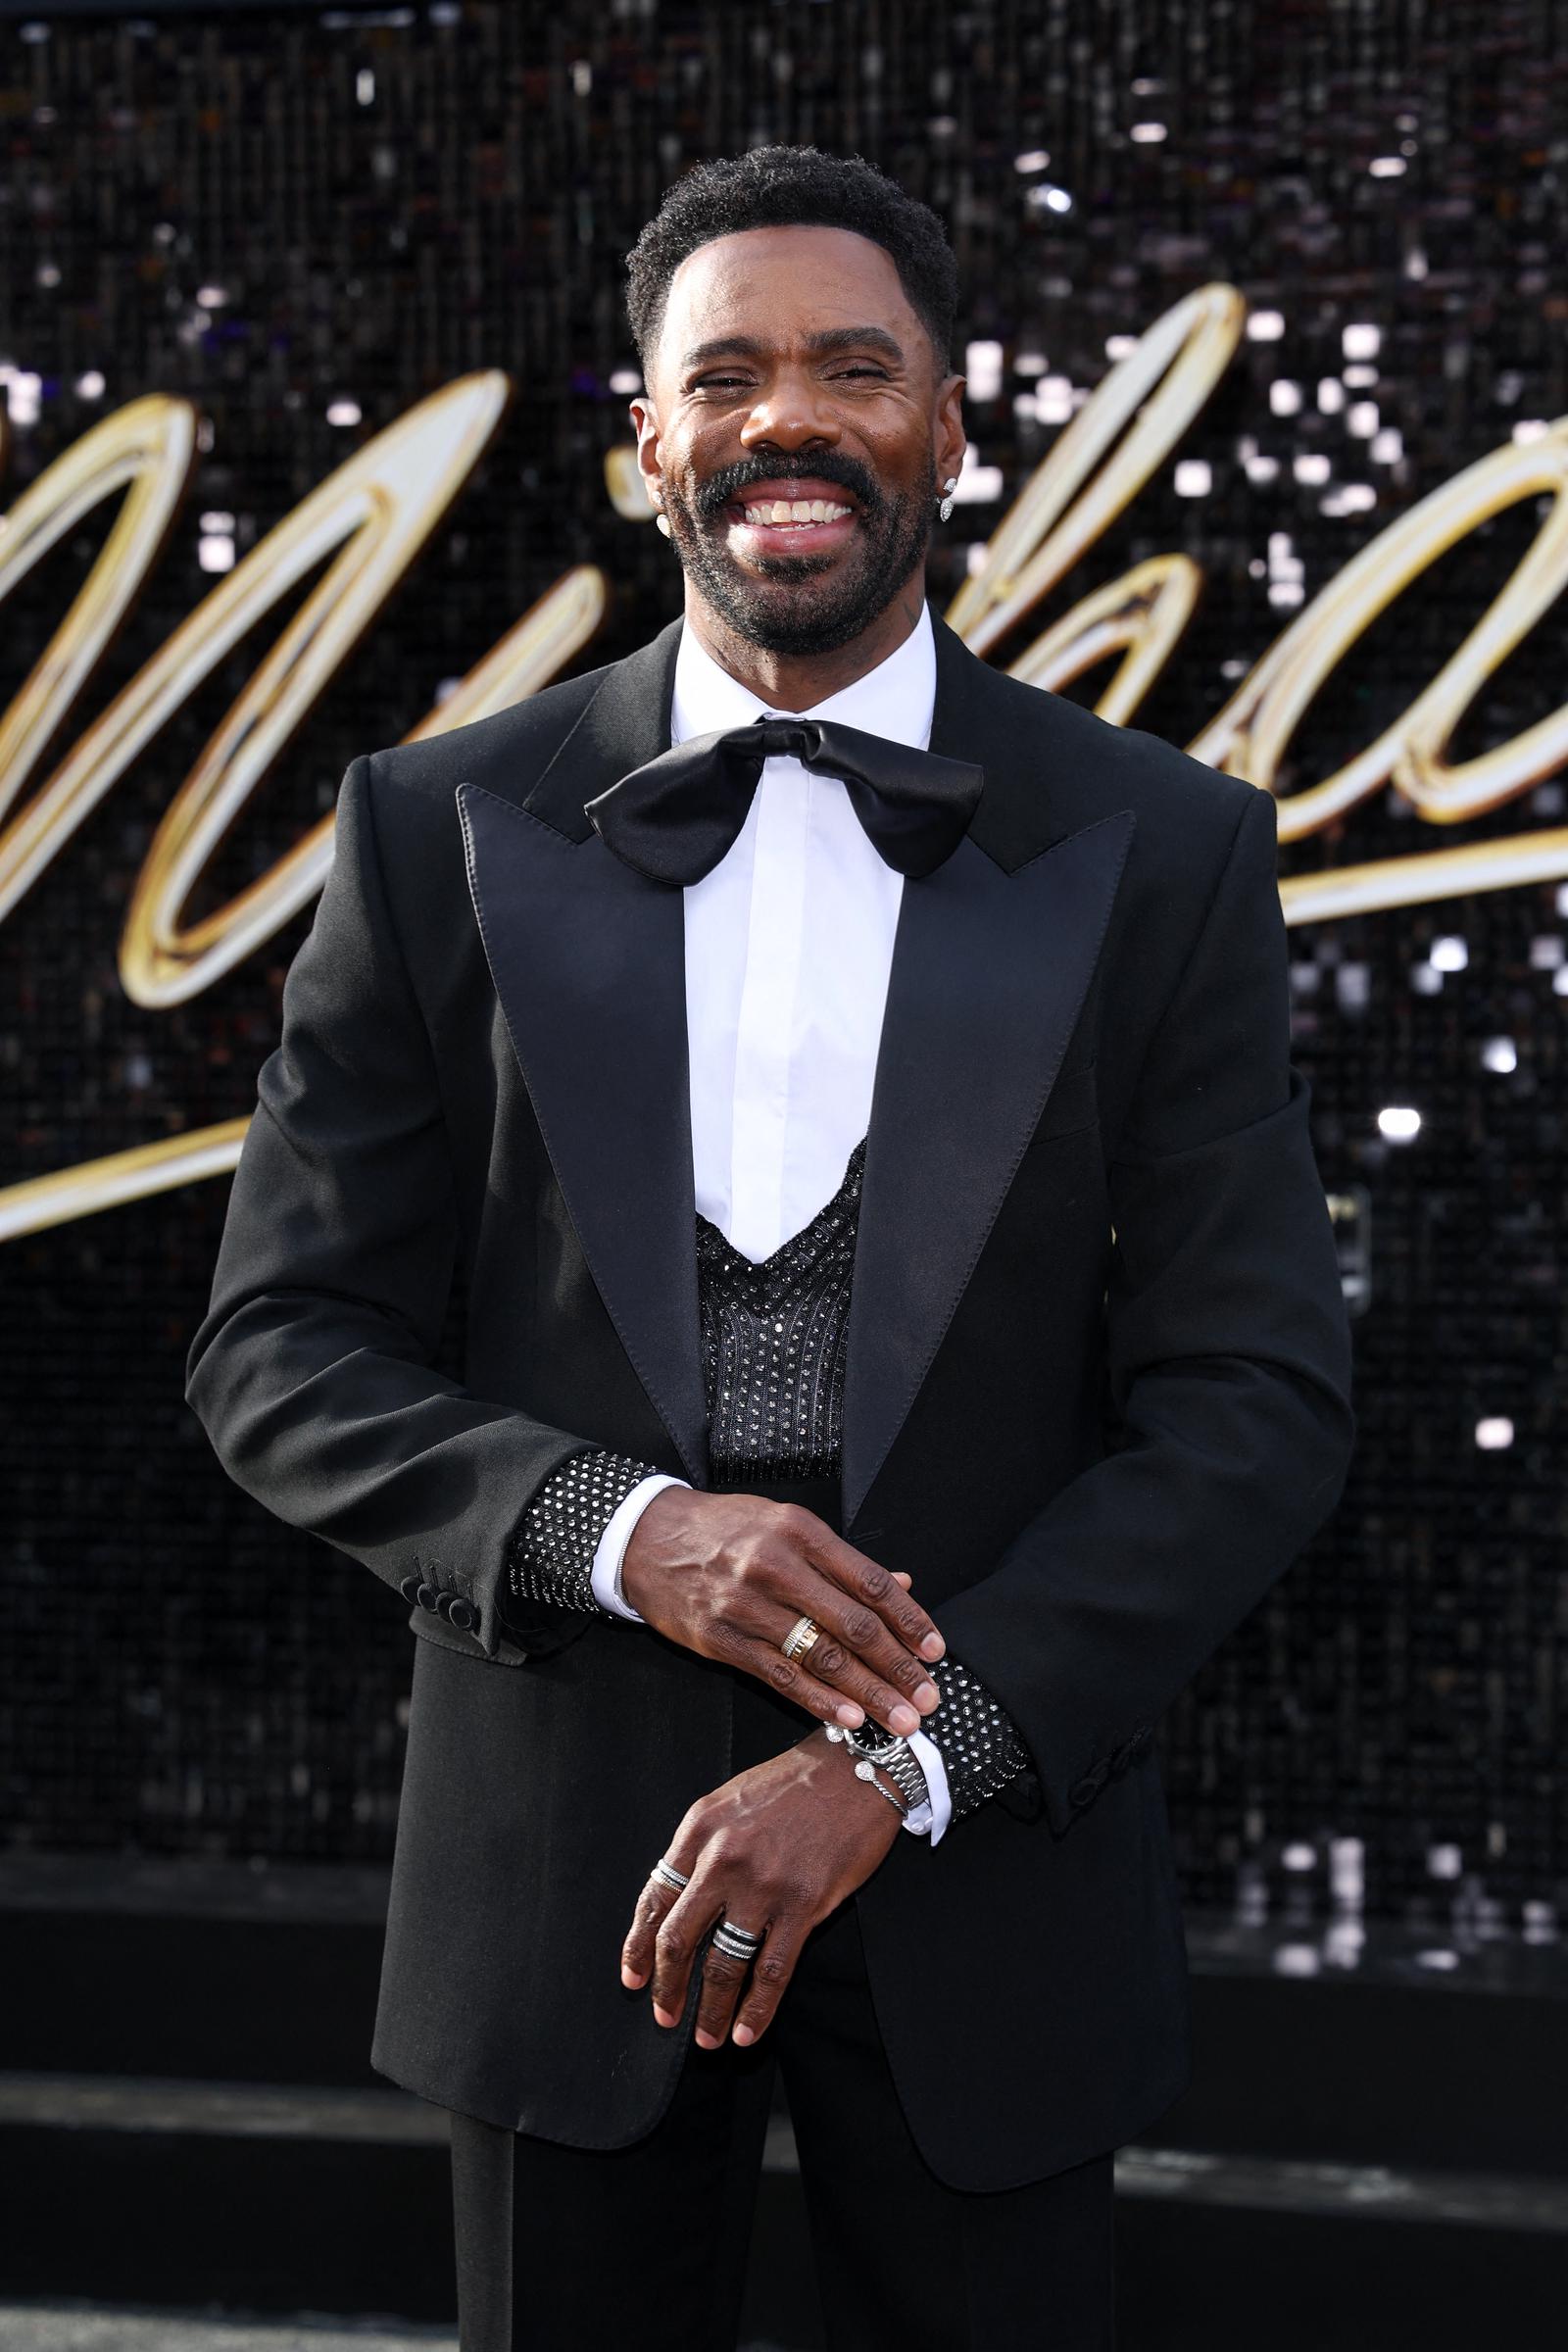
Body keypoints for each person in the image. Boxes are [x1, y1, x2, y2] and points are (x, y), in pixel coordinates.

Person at [185, 144, 1354, 2352]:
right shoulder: (428, 828)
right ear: (646, 443)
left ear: (946, 420)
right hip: (554, 1911)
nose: (783, 418)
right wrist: (624, 1530)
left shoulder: (1162, 851)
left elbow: (1255, 1405)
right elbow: (277, 1350)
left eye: (851, 366)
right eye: (720, 375)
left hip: (992, 1897)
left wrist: (904, 1755)